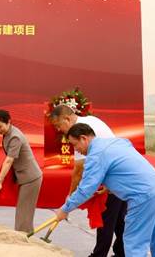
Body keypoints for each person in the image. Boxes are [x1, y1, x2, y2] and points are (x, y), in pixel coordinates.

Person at [55, 123, 155, 257]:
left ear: (83, 138)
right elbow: (126, 164)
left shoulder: (95, 155)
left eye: (75, 145)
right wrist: (111, 185)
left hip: (144, 195)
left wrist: (65, 209)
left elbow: (86, 189)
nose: (76, 150)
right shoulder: (116, 142)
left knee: (134, 243)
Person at [50, 104, 127, 257]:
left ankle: (99, 254)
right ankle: (122, 252)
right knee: (119, 220)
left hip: (114, 178)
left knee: (106, 220)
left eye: (58, 125)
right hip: (119, 176)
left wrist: (69, 201)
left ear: (67, 119)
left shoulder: (80, 132)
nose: (58, 130)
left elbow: (79, 170)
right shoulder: (91, 120)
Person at [0, 109, 42, 232]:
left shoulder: (15, 137)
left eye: (0, 126)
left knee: (24, 213)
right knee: (23, 211)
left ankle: (23, 238)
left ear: (9, 122)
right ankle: (24, 236)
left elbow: (9, 160)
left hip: (31, 178)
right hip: (24, 177)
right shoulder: (8, 133)